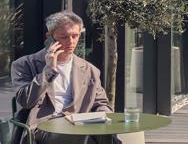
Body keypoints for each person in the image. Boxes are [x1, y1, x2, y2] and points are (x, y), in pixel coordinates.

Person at [11, 11, 112, 144]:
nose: (71, 41)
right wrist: (49, 70)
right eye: (64, 37)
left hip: (80, 124)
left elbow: (101, 104)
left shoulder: (89, 70)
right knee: (79, 136)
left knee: (114, 137)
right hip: (43, 127)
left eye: (75, 36)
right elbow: (25, 101)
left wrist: (104, 118)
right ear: (49, 37)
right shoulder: (24, 64)